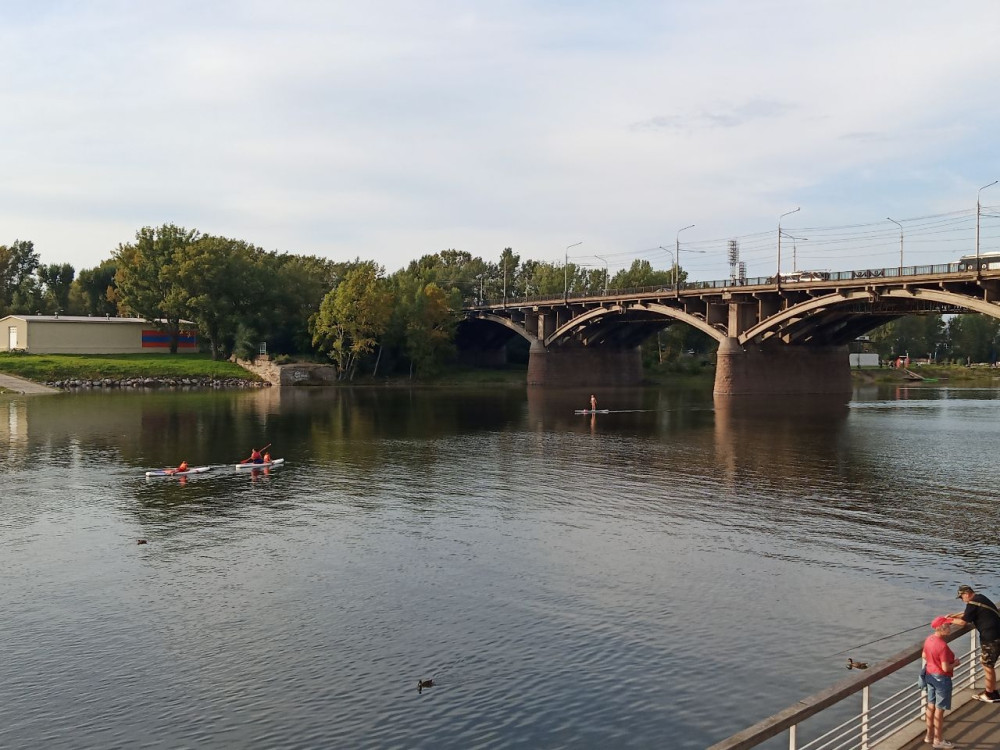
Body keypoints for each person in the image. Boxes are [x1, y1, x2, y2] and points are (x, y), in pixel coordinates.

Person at [947, 584, 1000, 702]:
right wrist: (953, 615)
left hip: (990, 639)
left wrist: (948, 620)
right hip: (997, 634)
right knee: (988, 664)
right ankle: (992, 691)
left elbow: (963, 622)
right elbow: (967, 613)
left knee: (987, 666)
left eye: (961, 598)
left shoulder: (972, 604)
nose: (962, 600)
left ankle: (990, 694)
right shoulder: (980, 598)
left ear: (966, 594)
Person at [922, 616, 959, 749]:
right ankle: (938, 740)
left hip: (929, 675)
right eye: (948, 626)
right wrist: (955, 663)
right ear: (941, 628)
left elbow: (924, 656)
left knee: (930, 705)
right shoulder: (942, 646)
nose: (950, 628)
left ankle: (928, 735)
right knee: (940, 709)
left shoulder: (929, 639)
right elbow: (945, 668)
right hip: (941, 679)